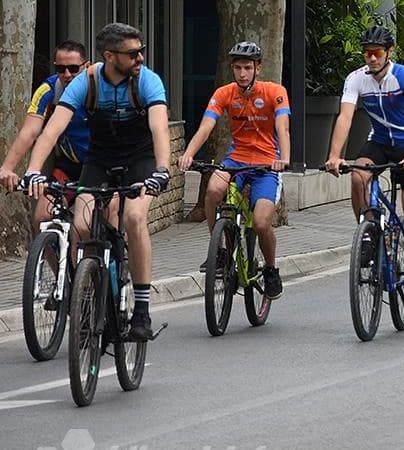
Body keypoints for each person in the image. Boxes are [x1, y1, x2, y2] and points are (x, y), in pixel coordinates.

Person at [24, 23, 170, 341]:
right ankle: (88, 292)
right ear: (110, 56)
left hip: (140, 160)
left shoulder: (148, 81)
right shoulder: (86, 83)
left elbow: (159, 128)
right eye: (132, 53)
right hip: (100, 160)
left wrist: (162, 169)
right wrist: (34, 169)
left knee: (133, 217)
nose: (140, 58)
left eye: (141, 50)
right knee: (82, 227)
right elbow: (51, 130)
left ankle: (142, 310)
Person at [324, 27, 404, 308]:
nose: (371, 58)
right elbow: (345, 117)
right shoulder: (356, 79)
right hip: (379, 143)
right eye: (367, 52)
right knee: (358, 175)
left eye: (377, 53)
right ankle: (369, 231)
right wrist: (335, 155)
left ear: (389, 52)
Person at [179, 42, 291, 300]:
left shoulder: (275, 91)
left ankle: (271, 269)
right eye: (238, 67)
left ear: (258, 68)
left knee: (262, 223)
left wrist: (283, 159)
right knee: (214, 190)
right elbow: (206, 126)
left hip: (266, 163)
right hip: (236, 159)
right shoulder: (225, 93)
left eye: (247, 68)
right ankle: (217, 250)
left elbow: (283, 128)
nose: (242, 73)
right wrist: (188, 154)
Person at [1, 40, 91, 235]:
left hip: (102, 165)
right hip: (70, 166)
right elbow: (29, 132)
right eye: (61, 68)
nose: (67, 74)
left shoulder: (99, 89)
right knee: (42, 218)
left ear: (87, 66)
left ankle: (111, 264)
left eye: (74, 68)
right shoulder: (48, 90)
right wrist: (7, 167)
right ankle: (64, 265)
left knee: (101, 217)